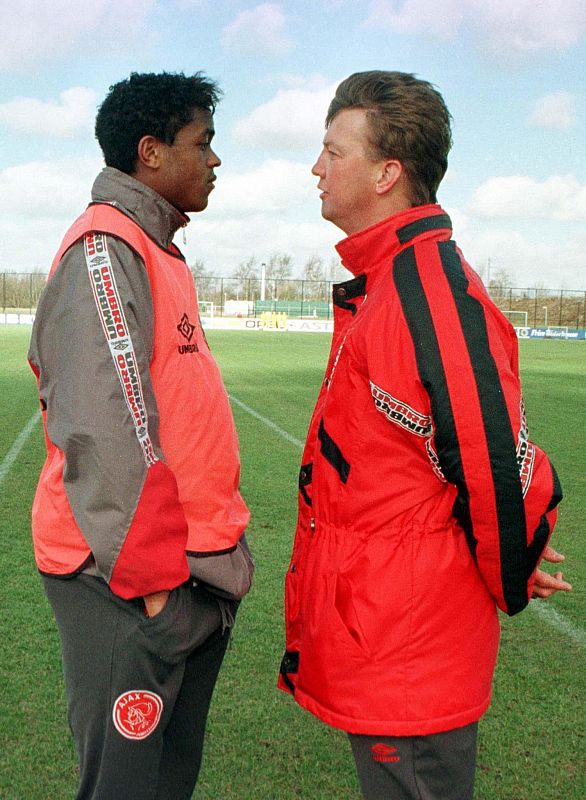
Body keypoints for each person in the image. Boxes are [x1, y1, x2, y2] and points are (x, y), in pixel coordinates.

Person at [278, 71, 571, 800]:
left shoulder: (426, 289)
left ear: (387, 173)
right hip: (390, 634)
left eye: (332, 151)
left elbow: (494, 464)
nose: (316, 168)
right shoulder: (391, 278)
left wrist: (511, 559)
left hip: (410, 649)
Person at [28, 71, 253, 800]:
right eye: (203, 142)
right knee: (126, 785)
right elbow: (105, 429)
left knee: (165, 780)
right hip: (129, 584)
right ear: (151, 152)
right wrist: (156, 592)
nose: (215, 159)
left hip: (190, 571)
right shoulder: (107, 247)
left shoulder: (157, 246)